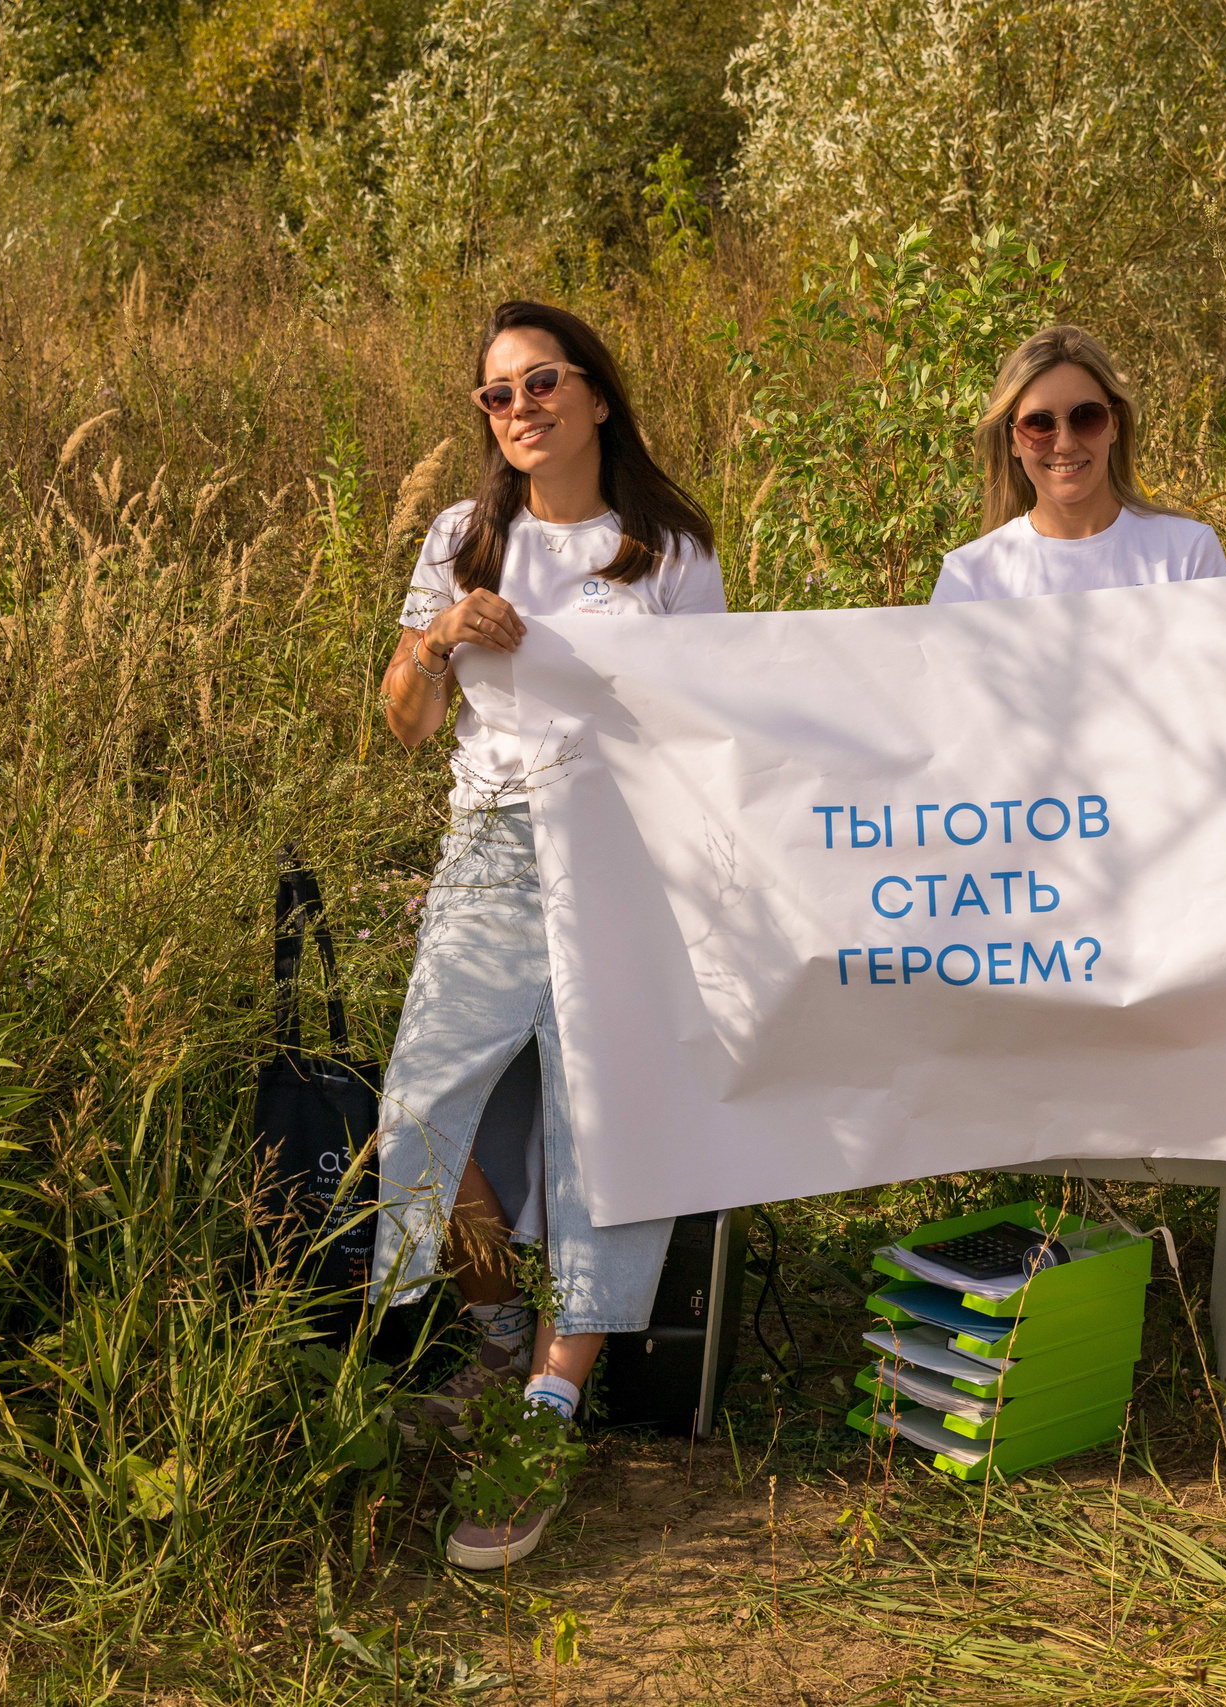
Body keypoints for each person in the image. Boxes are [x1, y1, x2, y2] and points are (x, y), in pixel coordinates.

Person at [371, 299, 726, 1571]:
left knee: (599, 1123)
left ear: (596, 396)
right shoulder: (465, 537)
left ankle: (548, 1410)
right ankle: (497, 1330)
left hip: (627, 857)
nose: (519, 409)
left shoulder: (668, 550)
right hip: (490, 849)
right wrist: (439, 634)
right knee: (422, 1114)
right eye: (496, 395)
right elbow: (406, 723)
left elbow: (714, 729)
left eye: (541, 384)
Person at [930, 324, 1226, 604]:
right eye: (1037, 424)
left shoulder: (1189, 553)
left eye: (1086, 417)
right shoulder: (968, 578)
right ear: (1012, 441)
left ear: (1115, 424)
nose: (1064, 444)